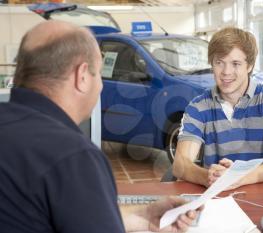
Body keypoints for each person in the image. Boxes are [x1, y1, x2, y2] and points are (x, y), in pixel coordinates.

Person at [0, 20, 201, 233]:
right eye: (99, 73)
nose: (102, 86)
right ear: (82, 76)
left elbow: (68, 215)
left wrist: (143, 216)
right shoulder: (72, 156)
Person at [173, 27, 263, 189]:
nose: (226, 72)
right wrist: (209, 177)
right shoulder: (197, 107)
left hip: (262, 192)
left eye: (235, 63)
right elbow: (180, 164)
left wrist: (238, 177)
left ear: (250, 65)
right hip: (216, 195)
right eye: (219, 63)